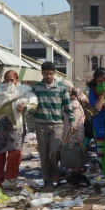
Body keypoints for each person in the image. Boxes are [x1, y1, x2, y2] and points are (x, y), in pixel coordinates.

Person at [0, 70, 36, 189]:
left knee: (15, 153)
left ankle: (10, 179)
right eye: (7, 80)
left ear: (17, 80)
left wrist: (25, 105)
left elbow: (34, 103)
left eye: (12, 80)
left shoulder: (23, 91)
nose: (9, 83)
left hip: (15, 127)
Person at [32, 61, 75, 190]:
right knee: (44, 154)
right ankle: (48, 182)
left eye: (50, 74)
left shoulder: (61, 88)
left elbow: (68, 107)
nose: (48, 76)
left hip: (57, 124)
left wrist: (72, 122)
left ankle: (56, 172)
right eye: (46, 74)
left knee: (54, 152)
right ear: (42, 73)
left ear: (54, 73)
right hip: (41, 125)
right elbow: (31, 104)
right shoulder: (36, 88)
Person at [59, 80, 88, 170]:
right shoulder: (59, 96)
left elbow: (87, 102)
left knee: (77, 142)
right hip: (66, 122)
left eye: (68, 87)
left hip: (78, 121)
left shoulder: (78, 93)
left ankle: (76, 164)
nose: (68, 89)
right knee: (66, 141)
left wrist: (78, 97)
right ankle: (67, 163)